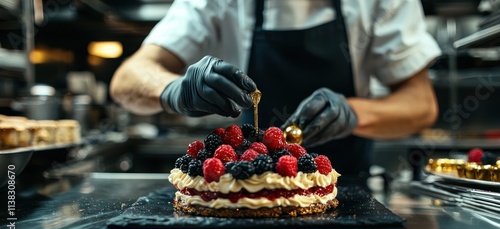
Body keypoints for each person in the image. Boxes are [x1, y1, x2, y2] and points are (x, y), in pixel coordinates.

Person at [110, 0, 441, 179]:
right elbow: (127, 79)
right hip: (245, 192)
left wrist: (353, 113)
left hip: (346, 191)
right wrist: (173, 90)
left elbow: (421, 104)